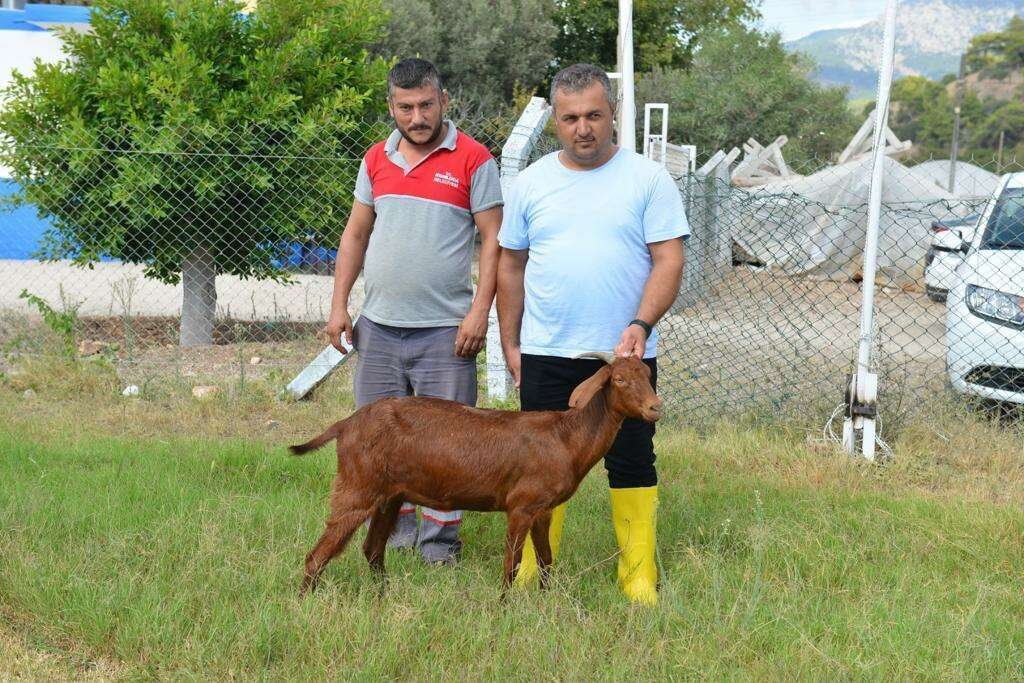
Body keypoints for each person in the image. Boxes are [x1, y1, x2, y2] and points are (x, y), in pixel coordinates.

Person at [496, 63, 688, 604]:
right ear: (556, 121)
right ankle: (532, 571)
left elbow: (669, 260)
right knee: (537, 466)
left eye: (594, 116)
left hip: (624, 357)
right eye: (571, 118)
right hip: (547, 351)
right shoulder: (532, 183)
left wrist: (641, 325)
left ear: (613, 115)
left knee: (632, 459)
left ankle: (637, 576)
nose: (583, 128)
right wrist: (511, 344)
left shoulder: (648, 179)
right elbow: (510, 265)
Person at [322, 58, 503, 565]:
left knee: (450, 445)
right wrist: (339, 306)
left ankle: (439, 548)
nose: (417, 117)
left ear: (444, 101)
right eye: (405, 107)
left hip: (446, 332)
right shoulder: (375, 159)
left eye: (426, 105)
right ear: (391, 107)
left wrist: (479, 312)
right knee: (380, 445)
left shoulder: (475, 160)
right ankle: (393, 540)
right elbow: (356, 233)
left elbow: (494, 240)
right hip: (378, 329)